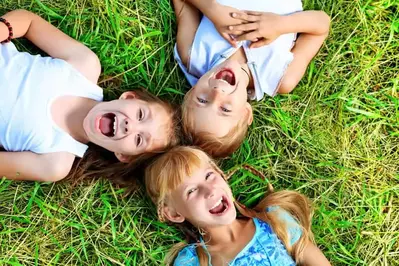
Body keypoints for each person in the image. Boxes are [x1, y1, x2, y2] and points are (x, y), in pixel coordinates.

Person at [0, 10, 180, 182]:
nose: (129, 125)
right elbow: (29, 23)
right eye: (141, 114)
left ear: (123, 155)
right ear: (129, 98)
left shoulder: (54, 162)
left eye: (139, 139)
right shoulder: (85, 66)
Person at [172, 0, 330, 157]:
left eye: (202, 100)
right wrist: (281, 24)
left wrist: (213, 9)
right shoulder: (280, 78)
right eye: (225, 109)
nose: (217, 92)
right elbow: (322, 24)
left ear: (191, 91)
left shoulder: (193, 54)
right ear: (246, 113)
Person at [145, 146, 331, 265]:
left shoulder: (273, 220)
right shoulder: (193, 261)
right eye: (191, 191)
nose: (209, 190)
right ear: (174, 214)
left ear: (222, 175)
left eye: (209, 176)